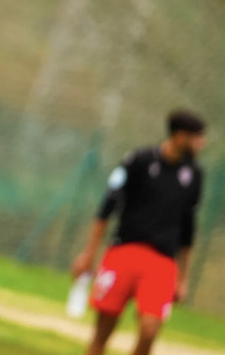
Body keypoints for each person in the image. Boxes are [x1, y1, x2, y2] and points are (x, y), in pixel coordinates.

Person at [72, 110, 207, 355]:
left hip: (162, 261)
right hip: (124, 251)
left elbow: (188, 229)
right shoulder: (138, 160)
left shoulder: (195, 175)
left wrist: (183, 278)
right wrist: (88, 254)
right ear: (179, 136)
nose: (201, 144)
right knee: (103, 330)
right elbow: (106, 208)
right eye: (197, 137)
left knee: (149, 330)